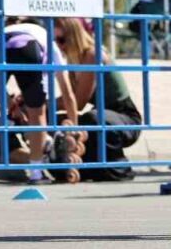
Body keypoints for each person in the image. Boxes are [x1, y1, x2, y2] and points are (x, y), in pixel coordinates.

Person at [0, 21, 78, 186]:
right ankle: (36, 173)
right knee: (36, 113)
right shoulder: (51, 46)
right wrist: (75, 127)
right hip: (26, 46)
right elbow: (68, 93)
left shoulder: (13, 30)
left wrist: (10, 103)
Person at [55, 17, 140, 180]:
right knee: (60, 121)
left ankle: (118, 168)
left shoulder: (93, 55)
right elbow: (69, 99)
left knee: (91, 118)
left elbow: (78, 103)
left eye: (61, 40)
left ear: (74, 37)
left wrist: (44, 104)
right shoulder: (75, 60)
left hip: (125, 117)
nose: (58, 46)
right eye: (54, 42)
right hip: (104, 115)